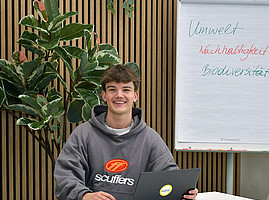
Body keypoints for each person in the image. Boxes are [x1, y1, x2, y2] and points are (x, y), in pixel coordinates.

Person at [54, 64, 198, 200]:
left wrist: (185, 192)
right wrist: (84, 195)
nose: (119, 95)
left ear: (135, 96)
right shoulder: (83, 134)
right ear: (104, 95)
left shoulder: (150, 138)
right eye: (112, 89)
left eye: (126, 89)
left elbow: (170, 178)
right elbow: (65, 176)